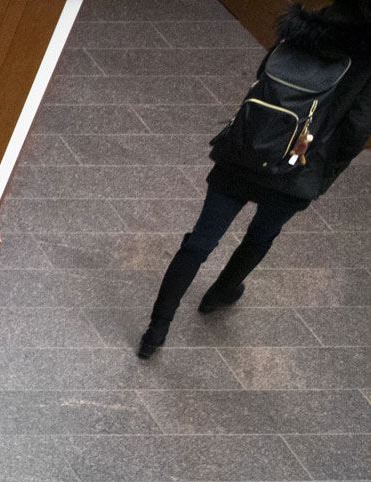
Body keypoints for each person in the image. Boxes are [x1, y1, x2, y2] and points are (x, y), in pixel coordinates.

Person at [140, 0, 371, 359]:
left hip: (245, 150)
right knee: (262, 233)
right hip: (300, 164)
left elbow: (266, 79)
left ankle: (155, 331)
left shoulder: (301, 31)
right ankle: (221, 292)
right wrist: (323, 173)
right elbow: (356, 129)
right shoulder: (366, 61)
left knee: (199, 242)